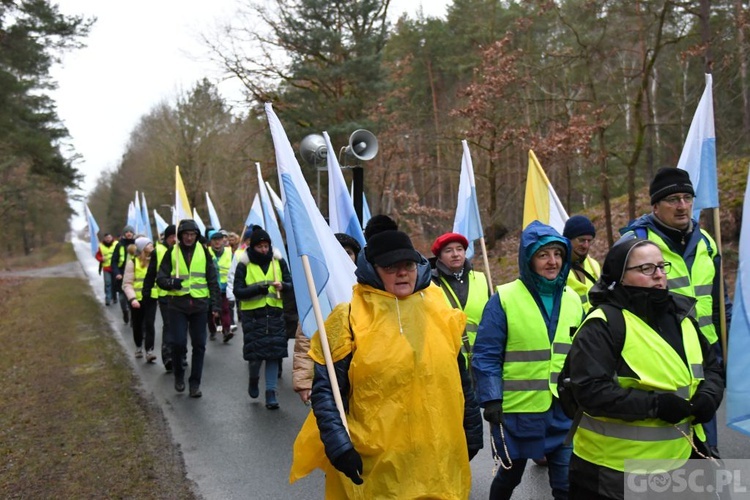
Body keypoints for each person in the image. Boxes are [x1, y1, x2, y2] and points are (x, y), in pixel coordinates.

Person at [290, 229, 483, 498]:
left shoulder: (439, 310)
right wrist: (339, 446)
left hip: (437, 456)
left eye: (407, 265)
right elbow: (327, 392)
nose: (402, 272)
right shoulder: (348, 318)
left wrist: (472, 429)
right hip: (377, 464)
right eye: (391, 266)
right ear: (373, 269)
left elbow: (460, 378)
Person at [566, 238, 724, 500]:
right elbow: (591, 392)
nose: (659, 275)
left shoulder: (682, 316)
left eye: (662, 267)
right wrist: (656, 406)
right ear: (621, 277)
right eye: (647, 269)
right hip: (613, 473)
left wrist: (709, 397)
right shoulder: (603, 324)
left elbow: (712, 368)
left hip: (681, 460)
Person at [620, 166, 731, 455]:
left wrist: (727, 350)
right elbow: (616, 303)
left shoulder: (707, 241)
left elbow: (720, 301)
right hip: (659, 358)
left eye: (686, 197)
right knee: (668, 453)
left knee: (706, 450)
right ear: (656, 205)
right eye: (673, 199)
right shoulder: (635, 242)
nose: (682, 206)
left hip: (705, 357)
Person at [472, 220, 584, 500]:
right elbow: (486, 354)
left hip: (562, 410)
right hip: (518, 412)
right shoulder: (505, 298)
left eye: (558, 254)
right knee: (510, 475)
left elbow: (581, 354)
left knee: (566, 482)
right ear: (529, 259)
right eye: (543, 255)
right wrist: (492, 399)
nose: (552, 261)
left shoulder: (573, 300)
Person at [292, 232, 361, 404]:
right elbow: (306, 339)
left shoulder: (368, 288)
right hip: (327, 374)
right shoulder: (319, 293)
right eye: (339, 252)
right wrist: (304, 382)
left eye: (349, 252)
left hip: (362, 376)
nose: (345, 257)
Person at [156, 219, 221, 398]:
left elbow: (213, 280)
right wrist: (171, 283)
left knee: (199, 345)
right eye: (186, 234)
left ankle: (195, 383)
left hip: (200, 306)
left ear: (197, 236)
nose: (189, 238)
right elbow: (160, 279)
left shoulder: (205, 252)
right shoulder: (172, 252)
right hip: (177, 305)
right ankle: (179, 375)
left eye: (193, 235)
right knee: (177, 343)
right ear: (180, 235)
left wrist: (215, 305)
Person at [233, 226, 292, 409]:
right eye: (260, 247)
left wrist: (283, 285)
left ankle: (271, 392)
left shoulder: (278, 262)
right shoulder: (244, 264)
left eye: (266, 246)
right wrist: (257, 289)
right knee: (256, 356)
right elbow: (238, 291)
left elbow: (290, 283)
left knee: (274, 355)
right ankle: (253, 378)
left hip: (274, 314)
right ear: (252, 247)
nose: (264, 250)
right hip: (253, 317)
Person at [430, 231, 491, 369]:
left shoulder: (481, 279)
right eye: (448, 250)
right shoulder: (430, 284)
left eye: (460, 249)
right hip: (447, 361)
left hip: (483, 360)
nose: (455, 254)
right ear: (439, 256)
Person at [144, 224, 178, 371]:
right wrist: (146, 291)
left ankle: (180, 356)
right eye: (172, 237)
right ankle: (168, 357)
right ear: (167, 237)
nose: (175, 240)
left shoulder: (182, 250)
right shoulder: (158, 251)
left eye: (177, 236)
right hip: (165, 295)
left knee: (181, 327)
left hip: (181, 294)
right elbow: (151, 272)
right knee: (169, 325)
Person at [122, 236, 158, 362]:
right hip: (137, 300)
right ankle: (138, 346)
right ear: (143, 248)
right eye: (148, 244)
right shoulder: (132, 263)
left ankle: (149, 351)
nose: (151, 246)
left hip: (151, 298)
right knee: (137, 325)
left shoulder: (155, 261)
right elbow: (127, 284)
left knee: (149, 324)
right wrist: (132, 299)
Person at [563, 215, 601, 311]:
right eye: (581, 240)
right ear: (568, 240)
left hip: (594, 323)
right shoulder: (557, 268)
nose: (586, 245)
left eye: (589, 241)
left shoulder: (594, 265)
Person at [207, 229, 234, 343]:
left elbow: (234, 269)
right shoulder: (206, 252)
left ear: (223, 241)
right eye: (214, 240)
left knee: (225, 309)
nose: (217, 242)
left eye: (219, 239)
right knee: (210, 311)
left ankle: (226, 331)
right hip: (211, 288)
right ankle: (212, 330)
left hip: (224, 288)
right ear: (210, 242)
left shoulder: (229, 252)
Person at [111, 225, 136, 324]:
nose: (129, 233)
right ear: (124, 234)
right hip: (121, 275)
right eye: (127, 232)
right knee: (122, 298)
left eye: (130, 231)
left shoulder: (137, 244)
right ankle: (125, 312)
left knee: (132, 298)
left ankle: (133, 318)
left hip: (134, 275)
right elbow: (114, 261)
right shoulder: (119, 245)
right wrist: (117, 273)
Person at [95, 233, 117, 306]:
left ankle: (114, 297)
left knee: (114, 284)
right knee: (108, 283)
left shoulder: (116, 244)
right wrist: (101, 259)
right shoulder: (101, 246)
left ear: (112, 237)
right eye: (106, 238)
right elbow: (97, 256)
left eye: (109, 237)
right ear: (104, 238)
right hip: (106, 268)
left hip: (115, 268)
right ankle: (108, 299)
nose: (108, 239)